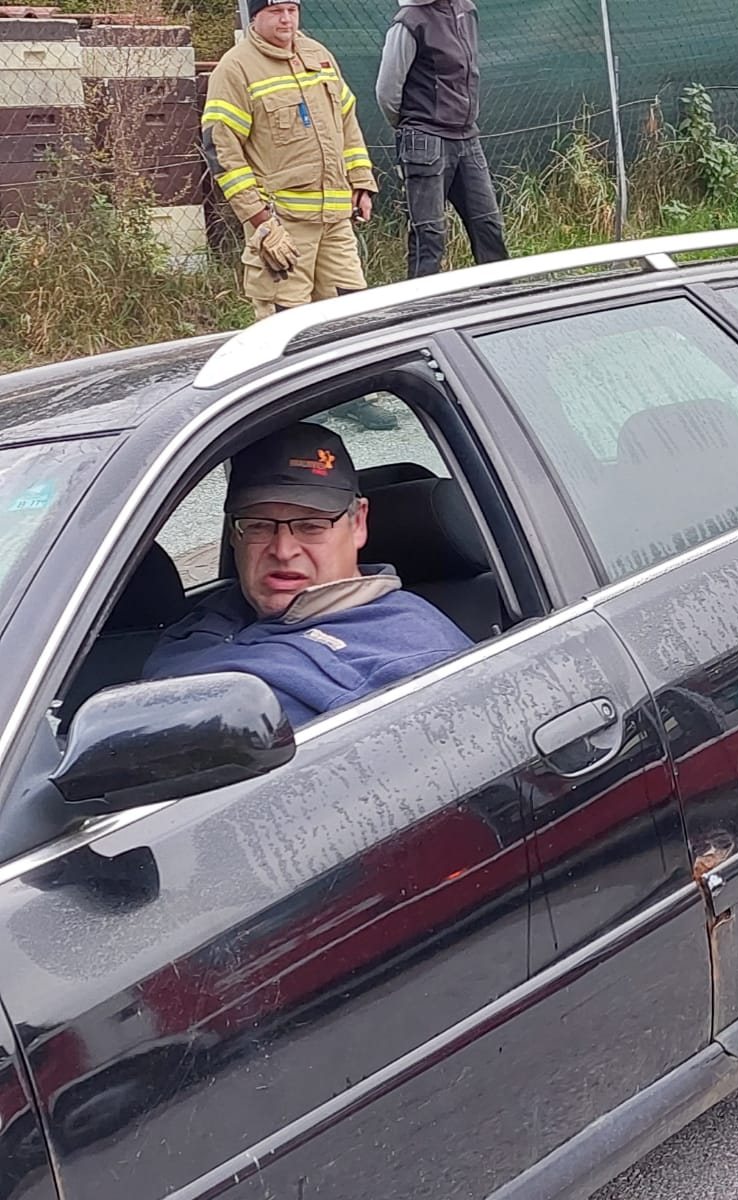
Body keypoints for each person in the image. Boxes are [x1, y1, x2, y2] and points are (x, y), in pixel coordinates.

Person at [144, 423, 471, 726]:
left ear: (358, 523)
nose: (283, 550)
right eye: (258, 526)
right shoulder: (217, 611)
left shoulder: (411, 664)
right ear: (233, 532)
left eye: (311, 526)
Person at [200, 0, 395, 431]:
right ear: (255, 16)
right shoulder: (236, 69)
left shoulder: (318, 55)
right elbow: (222, 151)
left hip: (335, 216)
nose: (287, 20)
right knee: (286, 321)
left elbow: (347, 121)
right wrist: (259, 221)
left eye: (292, 9)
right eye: (276, 12)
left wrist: (361, 181)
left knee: (349, 308)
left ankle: (352, 396)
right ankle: (289, 411)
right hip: (282, 224)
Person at [377, 0, 509, 278]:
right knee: (429, 236)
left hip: (467, 136)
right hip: (424, 139)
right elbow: (387, 91)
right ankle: (422, 303)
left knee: (488, 226)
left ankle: (502, 296)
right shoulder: (409, 21)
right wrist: (413, 125)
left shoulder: (466, 9)